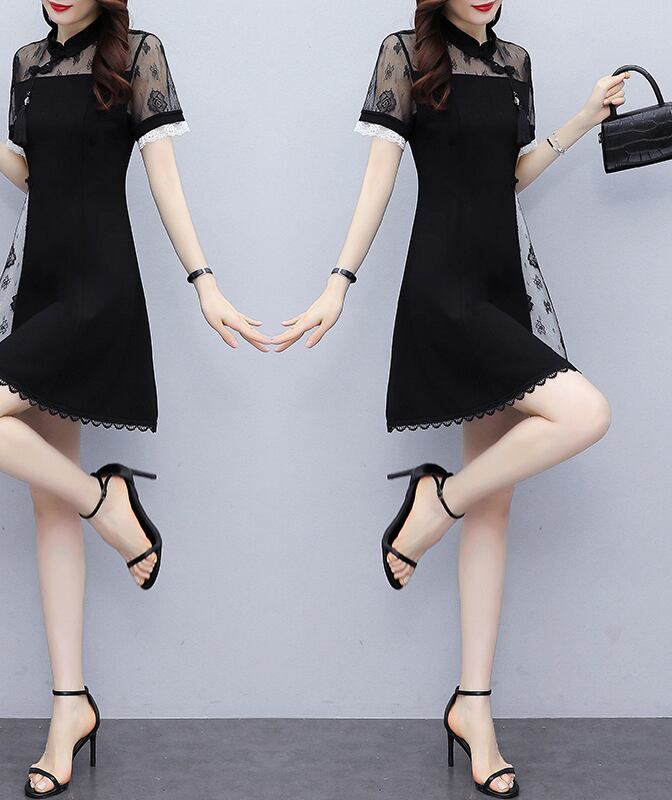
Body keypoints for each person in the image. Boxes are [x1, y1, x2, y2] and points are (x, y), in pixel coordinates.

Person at [0, 1, 270, 795]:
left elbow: (162, 176)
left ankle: (109, 506)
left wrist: (205, 282)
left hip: (100, 289)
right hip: (41, 290)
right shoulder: (29, 61)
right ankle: (70, 707)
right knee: (51, 509)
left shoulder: (138, 52)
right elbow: (35, 179)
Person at [272, 1, 624, 795]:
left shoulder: (514, 61)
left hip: (501, 290)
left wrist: (578, 122)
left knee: (492, 508)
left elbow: (508, 178)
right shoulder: (406, 52)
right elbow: (381, 177)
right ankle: (434, 506)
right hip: (443, 289)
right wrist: (338, 282)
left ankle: (473, 708)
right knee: (584, 413)